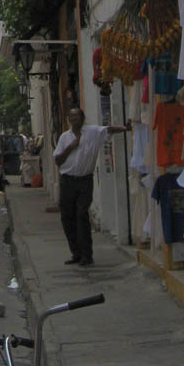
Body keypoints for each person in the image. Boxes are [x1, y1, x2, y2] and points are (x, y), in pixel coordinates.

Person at [53, 106, 129, 266]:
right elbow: (58, 161)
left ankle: (87, 255)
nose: (74, 120)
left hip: (85, 181)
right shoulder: (64, 137)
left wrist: (126, 128)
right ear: (69, 120)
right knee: (67, 217)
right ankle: (76, 253)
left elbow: (109, 129)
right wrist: (71, 146)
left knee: (81, 215)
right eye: (71, 117)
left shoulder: (93, 132)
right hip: (67, 181)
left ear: (82, 119)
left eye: (77, 117)